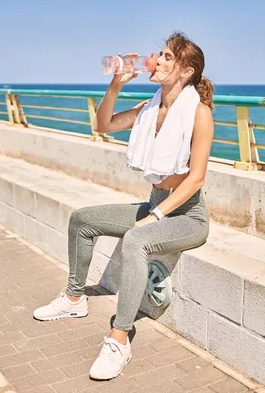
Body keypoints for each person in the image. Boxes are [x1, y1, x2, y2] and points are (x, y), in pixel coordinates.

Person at [33, 32, 215, 380]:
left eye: (166, 57)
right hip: (156, 204)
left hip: (187, 215)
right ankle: (74, 299)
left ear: (186, 70)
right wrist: (116, 85)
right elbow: (103, 125)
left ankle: (119, 338)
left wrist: (156, 217)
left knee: (135, 240)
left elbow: (196, 178)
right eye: (158, 54)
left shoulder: (199, 113)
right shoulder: (150, 109)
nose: (156, 60)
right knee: (82, 220)